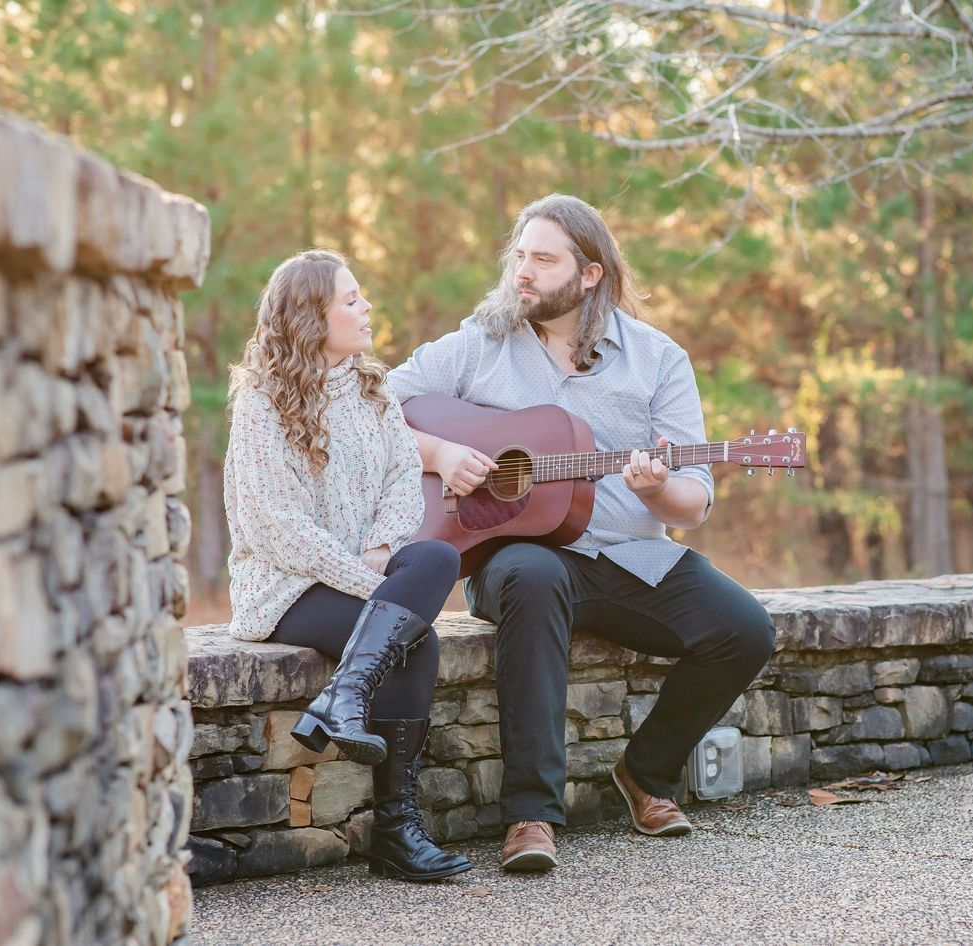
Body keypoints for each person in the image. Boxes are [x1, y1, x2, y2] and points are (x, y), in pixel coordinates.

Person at [387, 195, 777, 872]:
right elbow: (374, 402)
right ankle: (531, 817)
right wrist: (440, 456)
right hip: (519, 558)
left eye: (543, 259)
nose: (523, 272)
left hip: (631, 557)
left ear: (589, 274)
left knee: (746, 630)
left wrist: (657, 488)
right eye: (519, 256)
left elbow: (693, 505)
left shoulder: (656, 358)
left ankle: (646, 775)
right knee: (534, 578)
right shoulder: (479, 343)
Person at [224, 249, 472, 881]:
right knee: (414, 640)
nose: (367, 309)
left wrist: (385, 553)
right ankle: (396, 829)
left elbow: (401, 481)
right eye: (353, 299)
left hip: (370, 571)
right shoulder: (261, 404)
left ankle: (344, 695)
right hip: (286, 587)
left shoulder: (373, 387)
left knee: (438, 555)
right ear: (313, 315)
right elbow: (276, 527)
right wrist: (368, 580)